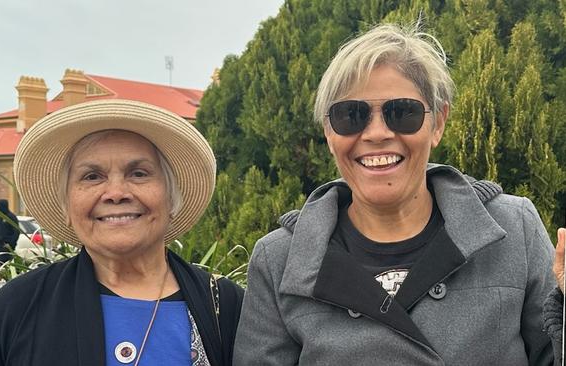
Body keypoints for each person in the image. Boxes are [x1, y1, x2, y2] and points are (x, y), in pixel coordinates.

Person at [234, 23, 565, 365]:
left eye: (402, 113)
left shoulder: (513, 231)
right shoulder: (278, 261)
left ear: (437, 123)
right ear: (328, 131)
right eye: (351, 115)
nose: (376, 133)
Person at [0, 99, 244, 365]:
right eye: (92, 177)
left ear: (171, 198)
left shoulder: (225, 306)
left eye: (139, 173)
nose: (116, 193)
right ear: (67, 207)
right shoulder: (16, 308)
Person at [0, 199, 20, 264]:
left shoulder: (11, 217)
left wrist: (11, 243)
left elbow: (16, 232)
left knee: (5, 262)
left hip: (6, 245)